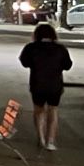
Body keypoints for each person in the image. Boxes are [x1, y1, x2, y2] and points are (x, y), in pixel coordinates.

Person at [20, 22, 73, 151]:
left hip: (37, 83)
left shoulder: (31, 47)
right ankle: (50, 141)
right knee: (53, 111)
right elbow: (67, 65)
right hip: (55, 85)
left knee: (38, 111)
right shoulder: (60, 48)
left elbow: (24, 62)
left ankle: (41, 138)